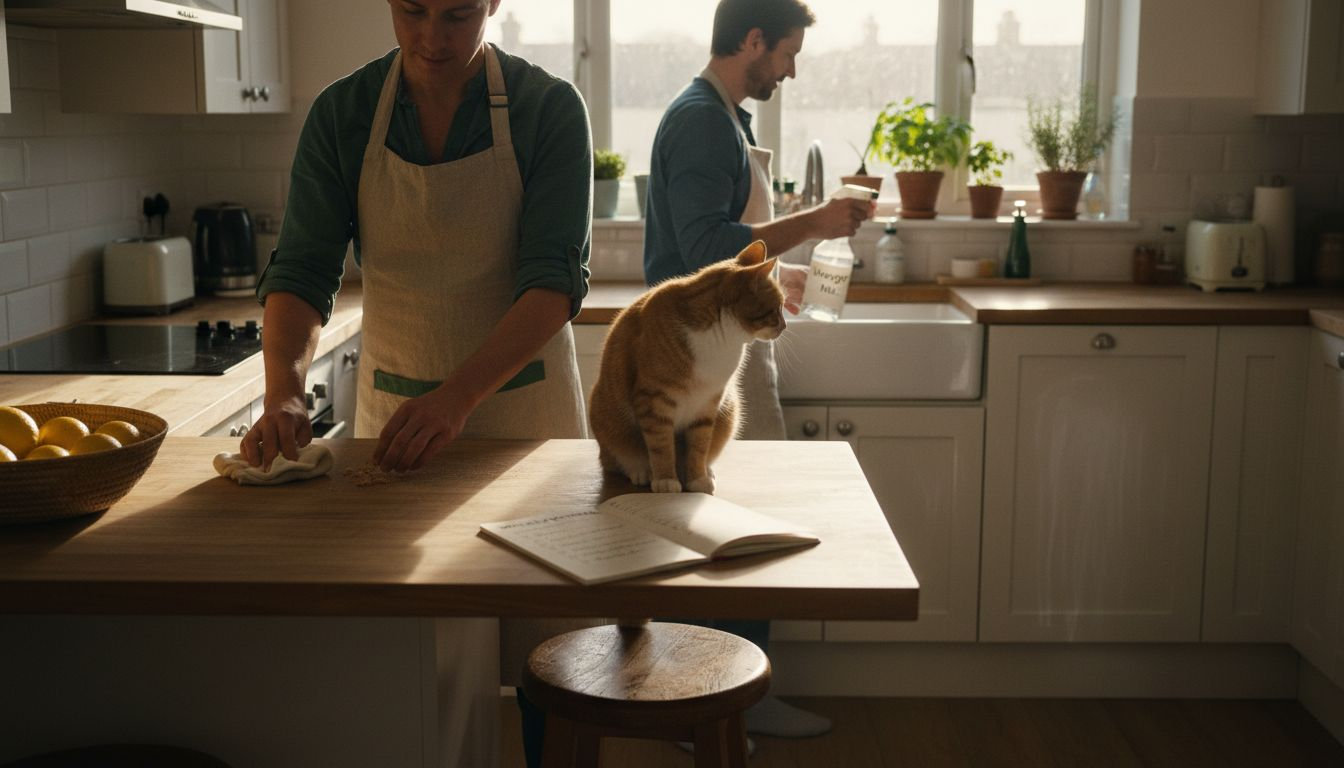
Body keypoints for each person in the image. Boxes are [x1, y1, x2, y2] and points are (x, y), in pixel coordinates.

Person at [241, 1, 594, 764]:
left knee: (559, 664)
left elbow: (551, 287)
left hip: (527, 429)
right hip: (395, 434)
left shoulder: (548, 110)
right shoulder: (344, 114)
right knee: (410, 667)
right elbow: (302, 272)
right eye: (413, 10)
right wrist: (285, 393)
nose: (433, 37)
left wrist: (459, 395)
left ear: (494, 3)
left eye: (459, 14)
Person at [643, 0, 876, 740]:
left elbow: (723, 256)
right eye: (787, 53)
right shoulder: (701, 120)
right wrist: (815, 222)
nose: (792, 68)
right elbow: (699, 246)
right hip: (697, 366)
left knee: (732, 530)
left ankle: (734, 692)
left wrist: (779, 279)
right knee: (714, 532)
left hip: (717, 353)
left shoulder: (725, 118)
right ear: (752, 40)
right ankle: (698, 703)